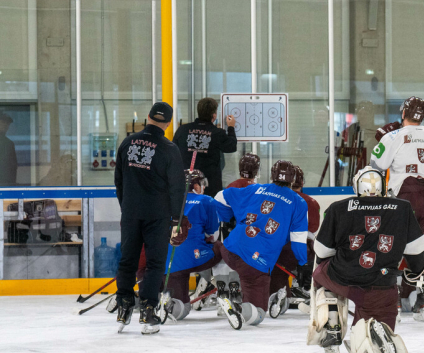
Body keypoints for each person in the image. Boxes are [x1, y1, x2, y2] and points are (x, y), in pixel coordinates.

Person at [309, 166, 424, 353]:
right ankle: (371, 329)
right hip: (381, 288)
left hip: (342, 278)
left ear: (356, 186)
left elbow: (321, 251)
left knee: (320, 274)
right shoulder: (403, 208)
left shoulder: (338, 208)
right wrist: (418, 271)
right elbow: (416, 251)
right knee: (373, 346)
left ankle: (331, 321)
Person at [113, 101, 185, 335]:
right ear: (169, 122)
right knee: (154, 264)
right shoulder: (169, 148)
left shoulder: (127, 142)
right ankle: (147, 312)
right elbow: (177, 188)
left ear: (148, 117)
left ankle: (123, 308)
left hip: (131, 212)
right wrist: (177, 219)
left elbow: (119, 180)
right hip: (158, 215)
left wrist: (127, 206)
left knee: (128, 260)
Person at [212, 160, 309, 329]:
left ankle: (230, 294)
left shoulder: (255, 189)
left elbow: (219, 197)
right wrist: (303, 263)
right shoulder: (298, 202)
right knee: (258, 314)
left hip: (230, 250)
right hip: (255, 264)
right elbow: (299, 241)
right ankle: (237, 307)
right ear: (292, 179)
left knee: (238, 264)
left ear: (272, 175)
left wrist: (228, 216)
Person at [369, 96, 424, 319]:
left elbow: (376, 164)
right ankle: (423, 301)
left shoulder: (395, 135)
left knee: (394, 247)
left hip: (405, 195)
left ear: (403, 113)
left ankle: (395, 302)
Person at [160, 169, 223, 320]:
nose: (204, 187)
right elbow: (213, 235)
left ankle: (164, 299)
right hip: (197, 258)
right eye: (202, 184)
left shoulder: (166, 200)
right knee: (223, 248)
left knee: (180, 311)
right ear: (195, 186)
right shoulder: (206, 201)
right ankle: (224, 289)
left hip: (169, 263)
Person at [269, 164, 320, 317]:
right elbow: (313, 229)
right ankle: (309, 287)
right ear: (302, 182)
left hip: (276, 249)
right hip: (301, 249)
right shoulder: (310, 202)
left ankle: (279, 291)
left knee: (278, 267)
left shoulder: (276, 198)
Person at [173, 97, 238, 197]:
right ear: (214, 115)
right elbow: (231, 146)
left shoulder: (183, 130)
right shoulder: (217, 133)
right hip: (209, 186)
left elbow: (174, 153)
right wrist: (231, 127)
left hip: (186, 183)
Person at [0, 112, 18, 187]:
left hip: (6, 186)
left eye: (7, 124)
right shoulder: (8, 144)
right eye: (3, 122)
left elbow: (13, 168)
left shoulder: (9, 144)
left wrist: (11, 186)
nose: (6, 125)